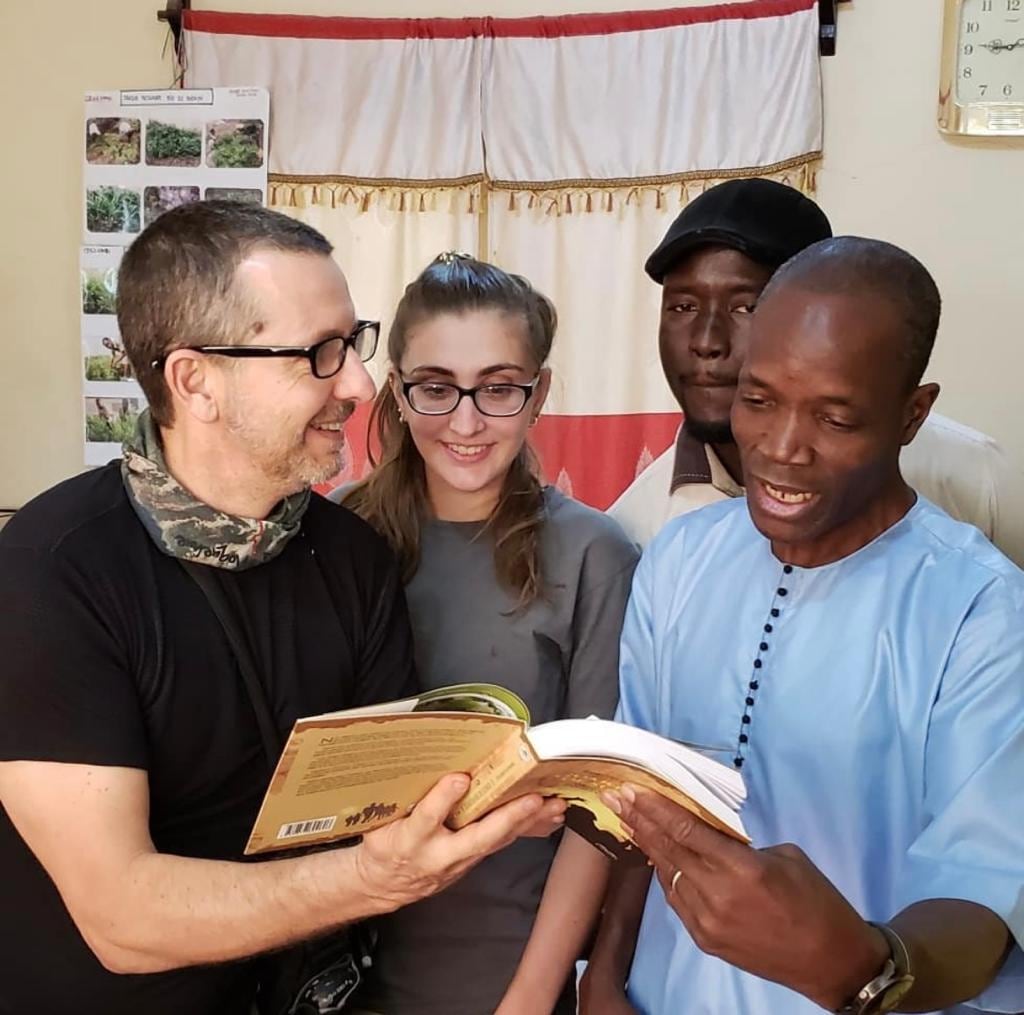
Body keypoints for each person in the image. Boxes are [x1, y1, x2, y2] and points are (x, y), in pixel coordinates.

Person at [0, 203, 564, 1015]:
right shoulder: (54, 571)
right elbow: (122, 916)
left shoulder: (353, 557)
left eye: (353, 341)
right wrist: (371, 878)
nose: (362, 385)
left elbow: (386, 800)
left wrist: (505, 798)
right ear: (195, 381)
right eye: (318, 354)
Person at [581, 237, 1024, 1014]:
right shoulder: (679, 559)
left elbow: (983, 902)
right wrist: (606, 978)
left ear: (912, 414)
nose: (781, 449)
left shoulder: (982, 615)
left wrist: (864, 966)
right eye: (758, 400)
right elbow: (642, 811)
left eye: (835, 417)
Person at [338, 253, 639, 1015]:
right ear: (397, 392)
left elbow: (597, 811)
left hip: (505, 971)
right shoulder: (335, 535)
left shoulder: (594, 554)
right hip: (333, 962)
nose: (466, 422)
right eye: (436, 388)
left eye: (498, 388)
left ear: (537, 395)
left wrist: (530, 997)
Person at [609, 178, 1024, 564]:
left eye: (746, 307)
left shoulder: (972, 476)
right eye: (683, 307)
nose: (706, 341)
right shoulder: (636, 529)